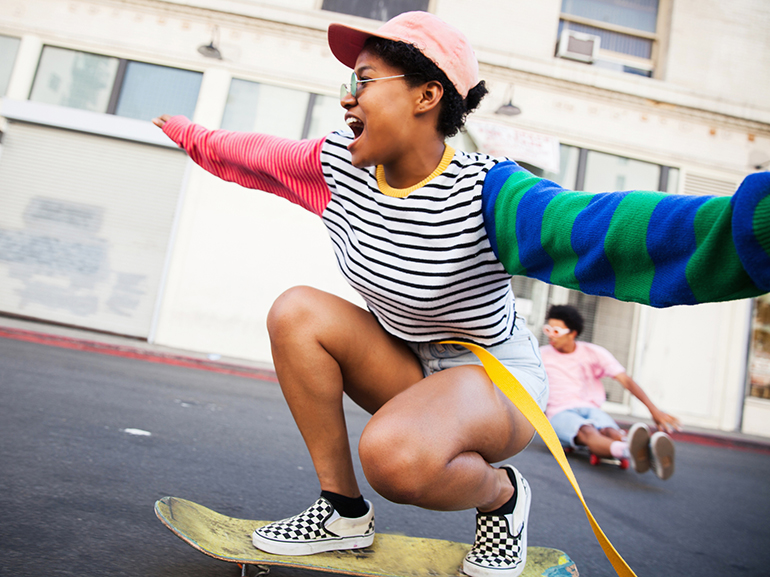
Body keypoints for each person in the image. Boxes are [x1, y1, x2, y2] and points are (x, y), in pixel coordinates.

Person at [151, 11, 769, 577]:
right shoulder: (338, 167)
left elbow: (605, 231)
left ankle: (503, 496)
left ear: (427, 94)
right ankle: (341, 513)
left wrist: (752, 226)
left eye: (364, 80)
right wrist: (186, 130)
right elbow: (253, 154)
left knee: (393, 458)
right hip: (412, 366)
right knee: (296, 312)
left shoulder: (488, 194)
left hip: (495, 381)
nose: (347, 97)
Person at [541, 305, 680, 480]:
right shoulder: (541, 355)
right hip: (559, 412)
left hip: (590, 408)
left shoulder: (593, 352)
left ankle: (646, 453)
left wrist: (654, 411)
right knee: (587, 431)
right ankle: (632, 451)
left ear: (572, 333)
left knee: (611, 432)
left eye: (556, 331)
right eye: (548, 329)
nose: (550, 336)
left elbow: (626, 381)